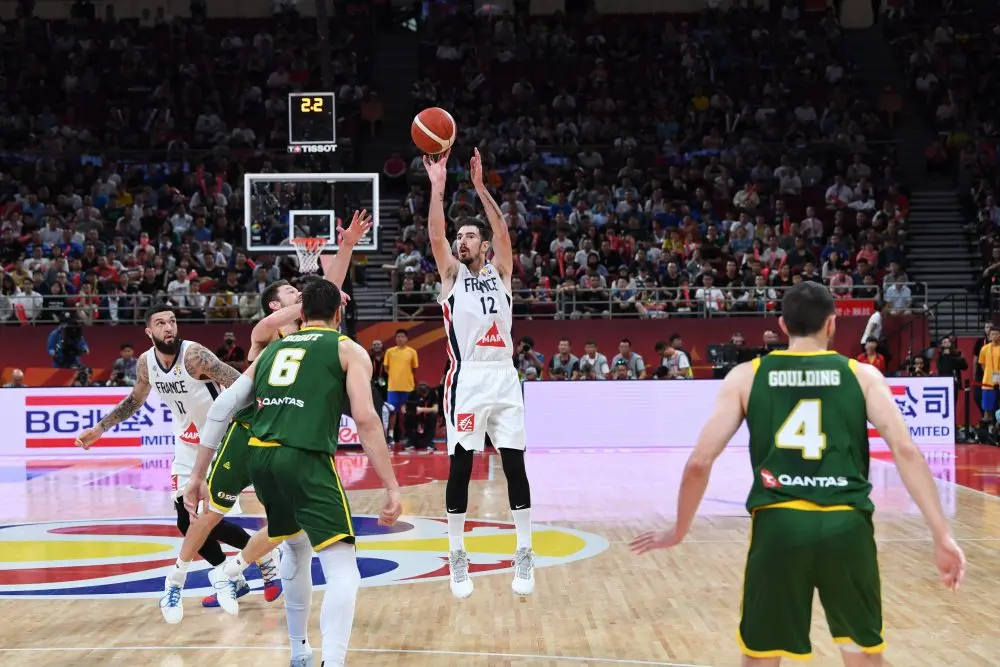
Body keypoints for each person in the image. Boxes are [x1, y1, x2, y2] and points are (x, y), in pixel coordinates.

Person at [631, 281, 965, 666]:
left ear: (783, 325)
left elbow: (699, 464)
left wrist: (679, 529)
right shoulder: (862, 375)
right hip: (848, 526)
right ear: (832, 324)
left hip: (779, 526)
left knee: (761, 658)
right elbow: (905, 451)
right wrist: (941, 535)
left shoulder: (746, 376)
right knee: (864, 659)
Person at [193, 279, 402, 667]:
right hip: (304, 458)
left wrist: (196, 475)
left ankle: (299, 651)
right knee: (343, 567)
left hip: (261, 459)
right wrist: (391, 486)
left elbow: (222, 409)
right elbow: (366, 419)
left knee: (295, 543)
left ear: (301, 315)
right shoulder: (347, 349)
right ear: (339, 314)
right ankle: (333, 662)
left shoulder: (272, 350)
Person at [175, 210, 373, 619]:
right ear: (275, 303)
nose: (299, 299)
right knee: (216, 512)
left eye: (301, 297)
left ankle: (232, 571)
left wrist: (347, 246)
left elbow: (323, 297)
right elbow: (320, 295)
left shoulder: (307, 324)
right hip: (250, 433)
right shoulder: (268, 329)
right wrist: (324, 289)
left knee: (291, 528)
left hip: (288, 437)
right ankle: (181, 580)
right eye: (291, 294)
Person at [72, 305, 270, 624]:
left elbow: (239, 383)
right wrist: (99, 429)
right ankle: (231, 576)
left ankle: (263, 559)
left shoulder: (195, 356)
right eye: (161, 323)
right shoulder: (146, 363)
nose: (169, 327)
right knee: (184, 520)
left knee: (208, 518)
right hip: (187, 442)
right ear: (149, 332)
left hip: (217, 440)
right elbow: (135, 400)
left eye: (173, 321)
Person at [425, 147, 535, 599]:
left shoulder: (502, 272)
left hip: (504, 377)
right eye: (460, 236)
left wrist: (481, 189)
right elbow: (435, 238)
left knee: (514, 463)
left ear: (483, 245)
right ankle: (456, 554)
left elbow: (504, 232)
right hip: (467, 379)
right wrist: (438, 189)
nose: (462, 240)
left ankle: (524, 551)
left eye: (471, 235)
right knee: (462, 465)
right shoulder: (451, 276)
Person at [384, 328, 419, 446]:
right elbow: (386, 367)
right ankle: (390, 436)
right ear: (395, 338)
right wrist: (394, 377)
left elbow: (414, 368)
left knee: (408, 413)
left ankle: (409, 436)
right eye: (398, 336)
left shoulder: (412, 352)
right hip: (393, 387)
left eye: (402, 336)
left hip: (408, 387)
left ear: (407, 338)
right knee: (392, 412)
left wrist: (406, 378)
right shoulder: (389, 352)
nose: (400, 339)